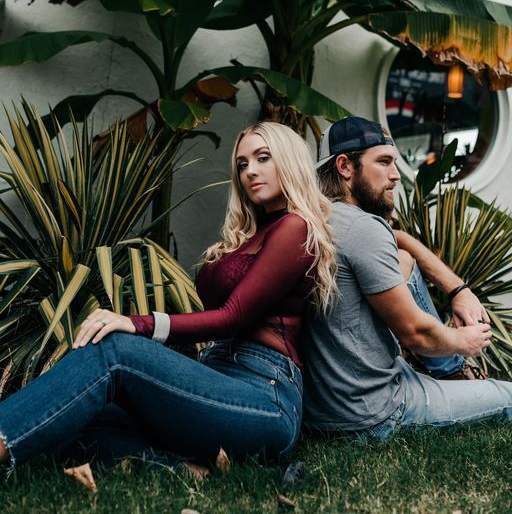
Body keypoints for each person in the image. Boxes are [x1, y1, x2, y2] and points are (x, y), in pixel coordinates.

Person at [0, 122, 337, 482]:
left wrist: (138, 323)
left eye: (263, 158)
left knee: (113, 349)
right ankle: (182, 470)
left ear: (289, 160)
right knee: (79, 415)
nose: (250, 170)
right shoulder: (249, 235)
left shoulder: (296, 228)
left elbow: (232, 317)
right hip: (216, 378)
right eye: (242, 164)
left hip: (264, 396)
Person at [302, 115, 512, 441]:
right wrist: (467, 341)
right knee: (506, 395)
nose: (395, 175)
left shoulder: (317, 217)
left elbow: (397, 240)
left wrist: (456, 289)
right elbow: (415, 335)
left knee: (404, 259)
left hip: (323, 408)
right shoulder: (362, 229)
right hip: (376, 411)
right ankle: (458, 375)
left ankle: (453, 377)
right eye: (384, 162)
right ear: (345, 166)